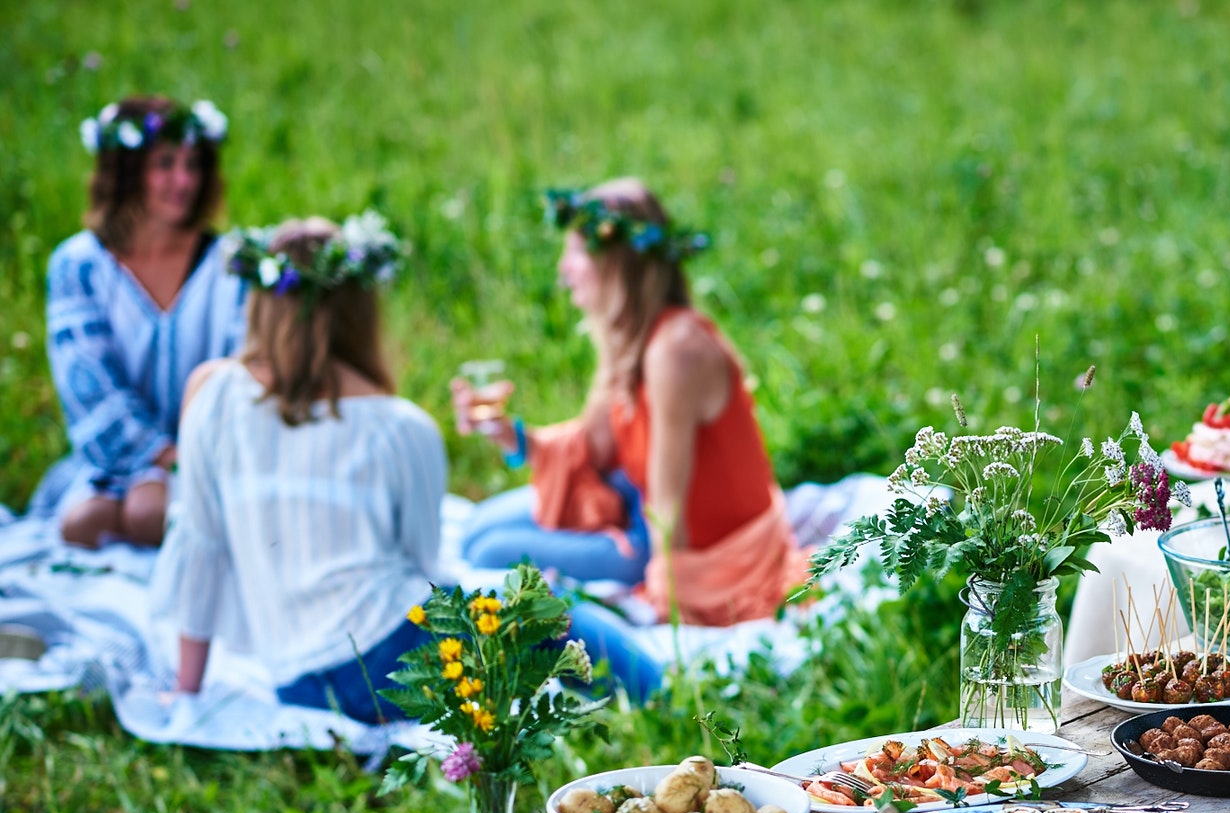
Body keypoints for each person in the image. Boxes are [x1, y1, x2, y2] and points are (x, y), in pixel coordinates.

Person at [454, 180, 807, 669]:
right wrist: (508, 435)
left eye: (576, 251)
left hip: (704, 552)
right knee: (473, 529)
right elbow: (593, 444)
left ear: (617, 263)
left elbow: (668, 514)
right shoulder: (630, 335)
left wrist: (664, 611)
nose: (563, 270)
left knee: (489, 552)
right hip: (632, 504)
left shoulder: (675, 351)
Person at [155, 213, 443, 724]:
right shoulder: (402, 427)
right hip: (398, 660)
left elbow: (197, 546)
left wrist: (186, 689)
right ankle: (639, 694)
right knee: (554, 616)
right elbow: (423, 564)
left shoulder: (211, 395)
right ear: (360, 309)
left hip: (297, 683)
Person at [41, 96, 244, 547]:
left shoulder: (229, 263)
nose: (183, 180)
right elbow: (89, 385)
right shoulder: (80, 265)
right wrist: (159, 458)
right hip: (114, 456)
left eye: (193, 164)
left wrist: (193, 460)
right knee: (81, 522)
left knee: (149, 512)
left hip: (213, 457)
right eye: (165, 164)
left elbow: (243, 370)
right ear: (126, 172)